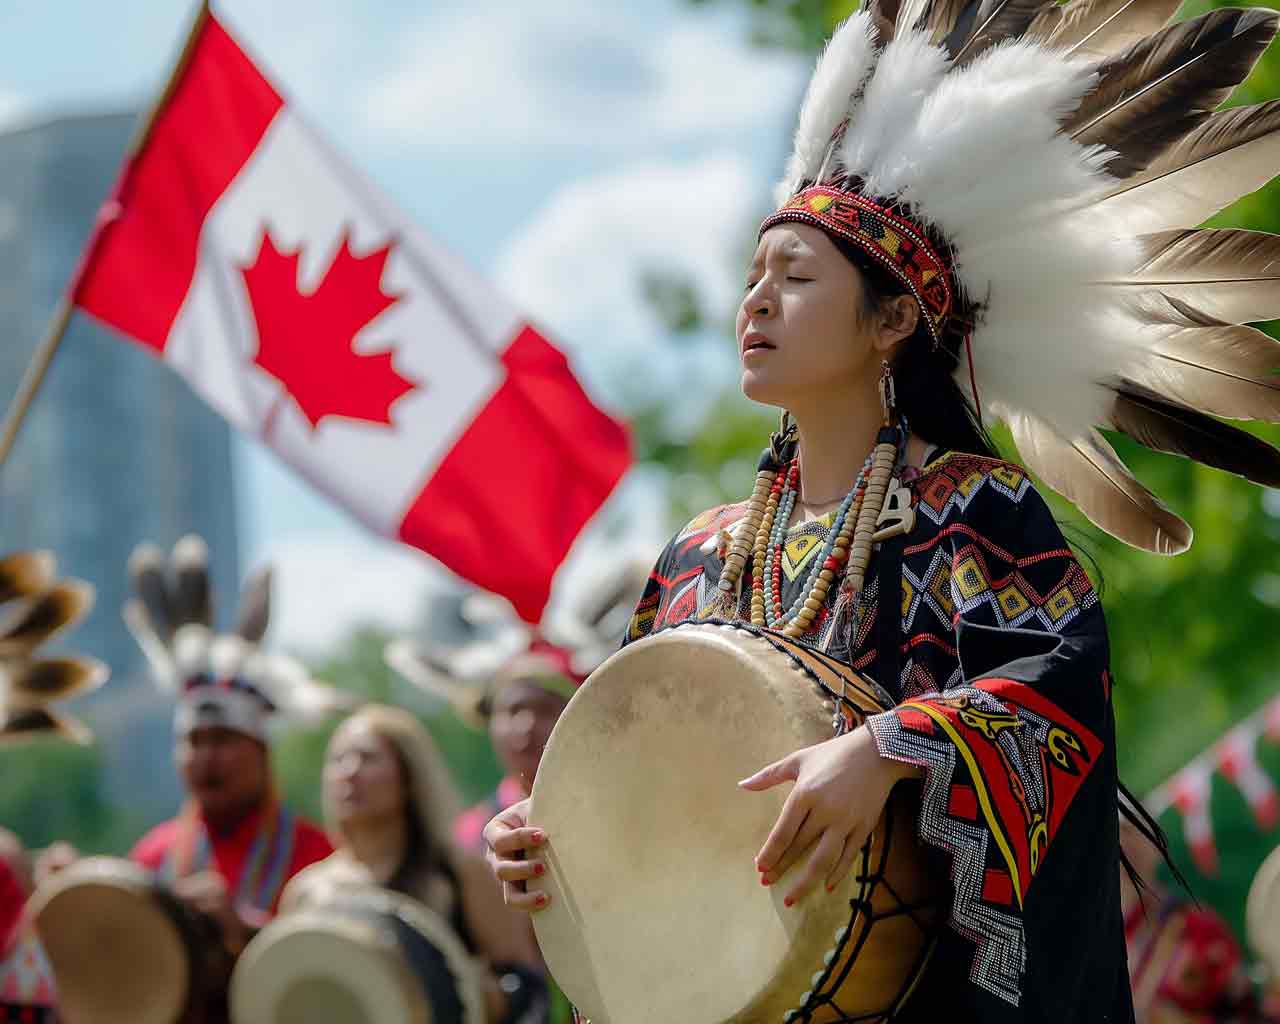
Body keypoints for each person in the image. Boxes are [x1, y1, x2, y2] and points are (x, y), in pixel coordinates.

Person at [482, 3, 1280, 1021]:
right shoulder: (697, 557)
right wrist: (554, 835)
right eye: (752, 277)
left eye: (796, 277)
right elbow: (641, 777)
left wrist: (886, 748)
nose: (755, 302)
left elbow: (1059, 693)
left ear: (893, 318)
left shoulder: (965, 513)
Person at [282, 704, 545, 1022]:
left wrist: (481, 995)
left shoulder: (459, 875)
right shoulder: (307, 891)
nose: (349, 772)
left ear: (409, 777)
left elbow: (529, 989)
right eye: (338, 760)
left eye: (367, 758)